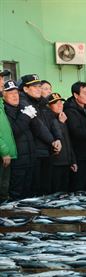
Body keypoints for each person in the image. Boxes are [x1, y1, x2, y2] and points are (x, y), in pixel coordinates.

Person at [20, 74, 61, 195]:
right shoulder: (23, 102)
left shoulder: (43, 102)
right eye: (34, 86)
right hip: (34, 152)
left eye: (39, 86)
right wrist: (52, 141)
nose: (38, 89)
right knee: (35, 189)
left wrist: (58, 138)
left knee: (46, 188)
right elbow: (37, 125)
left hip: (47, 150)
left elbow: (53, 122)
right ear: (25, 89)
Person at [3, 79, 39, 200]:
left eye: (16, 93)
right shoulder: (5, 111)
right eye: (11, 93)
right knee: (16, 195)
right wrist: (25, 117)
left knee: (29, 194)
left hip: (30, 158)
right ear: (3, 95)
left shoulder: (22, 108)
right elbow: (13, 132)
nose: (15, 96)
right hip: (17, 161)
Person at [45, 93, 77, 193]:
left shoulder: (62, 118)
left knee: (65, 192)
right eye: (55, 103)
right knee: (56, 192)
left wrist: (72, 160)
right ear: (49, 106)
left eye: (60, 102)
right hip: (55, 163)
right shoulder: (49, 119)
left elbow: (68, 142)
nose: (60, 105)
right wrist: (61, 123)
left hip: (66, 162)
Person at [0, 70, 17, 201]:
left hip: (6, 155)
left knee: (4, 192)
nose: (2, 82)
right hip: (3, 154)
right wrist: (4, 151)